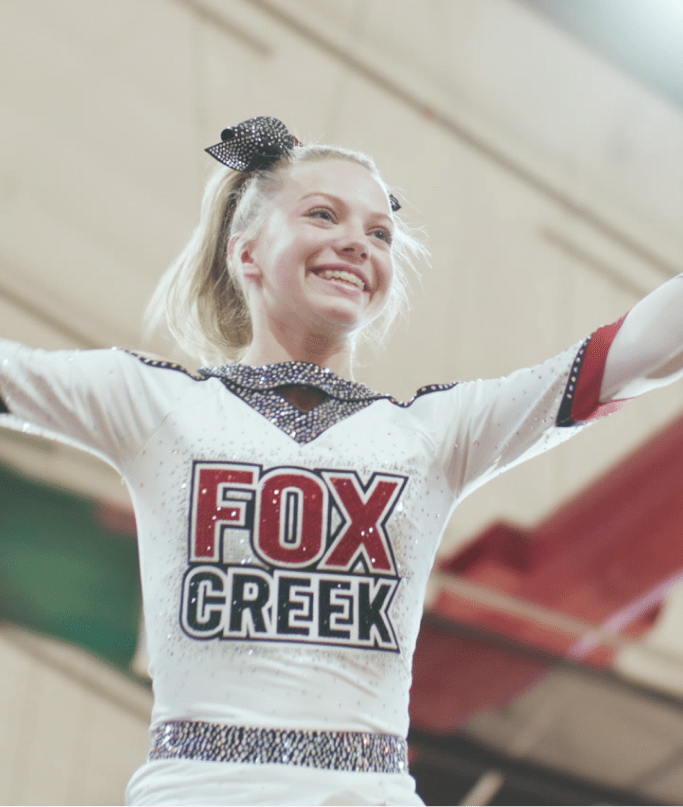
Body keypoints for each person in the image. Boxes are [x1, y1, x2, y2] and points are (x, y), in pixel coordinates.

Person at [0, 116, 682, 807]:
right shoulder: (153, 406)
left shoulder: (435, 434)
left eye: (379, 233)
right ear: (246, 254)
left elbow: (634, 352)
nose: (356, 242)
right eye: (323, 215)